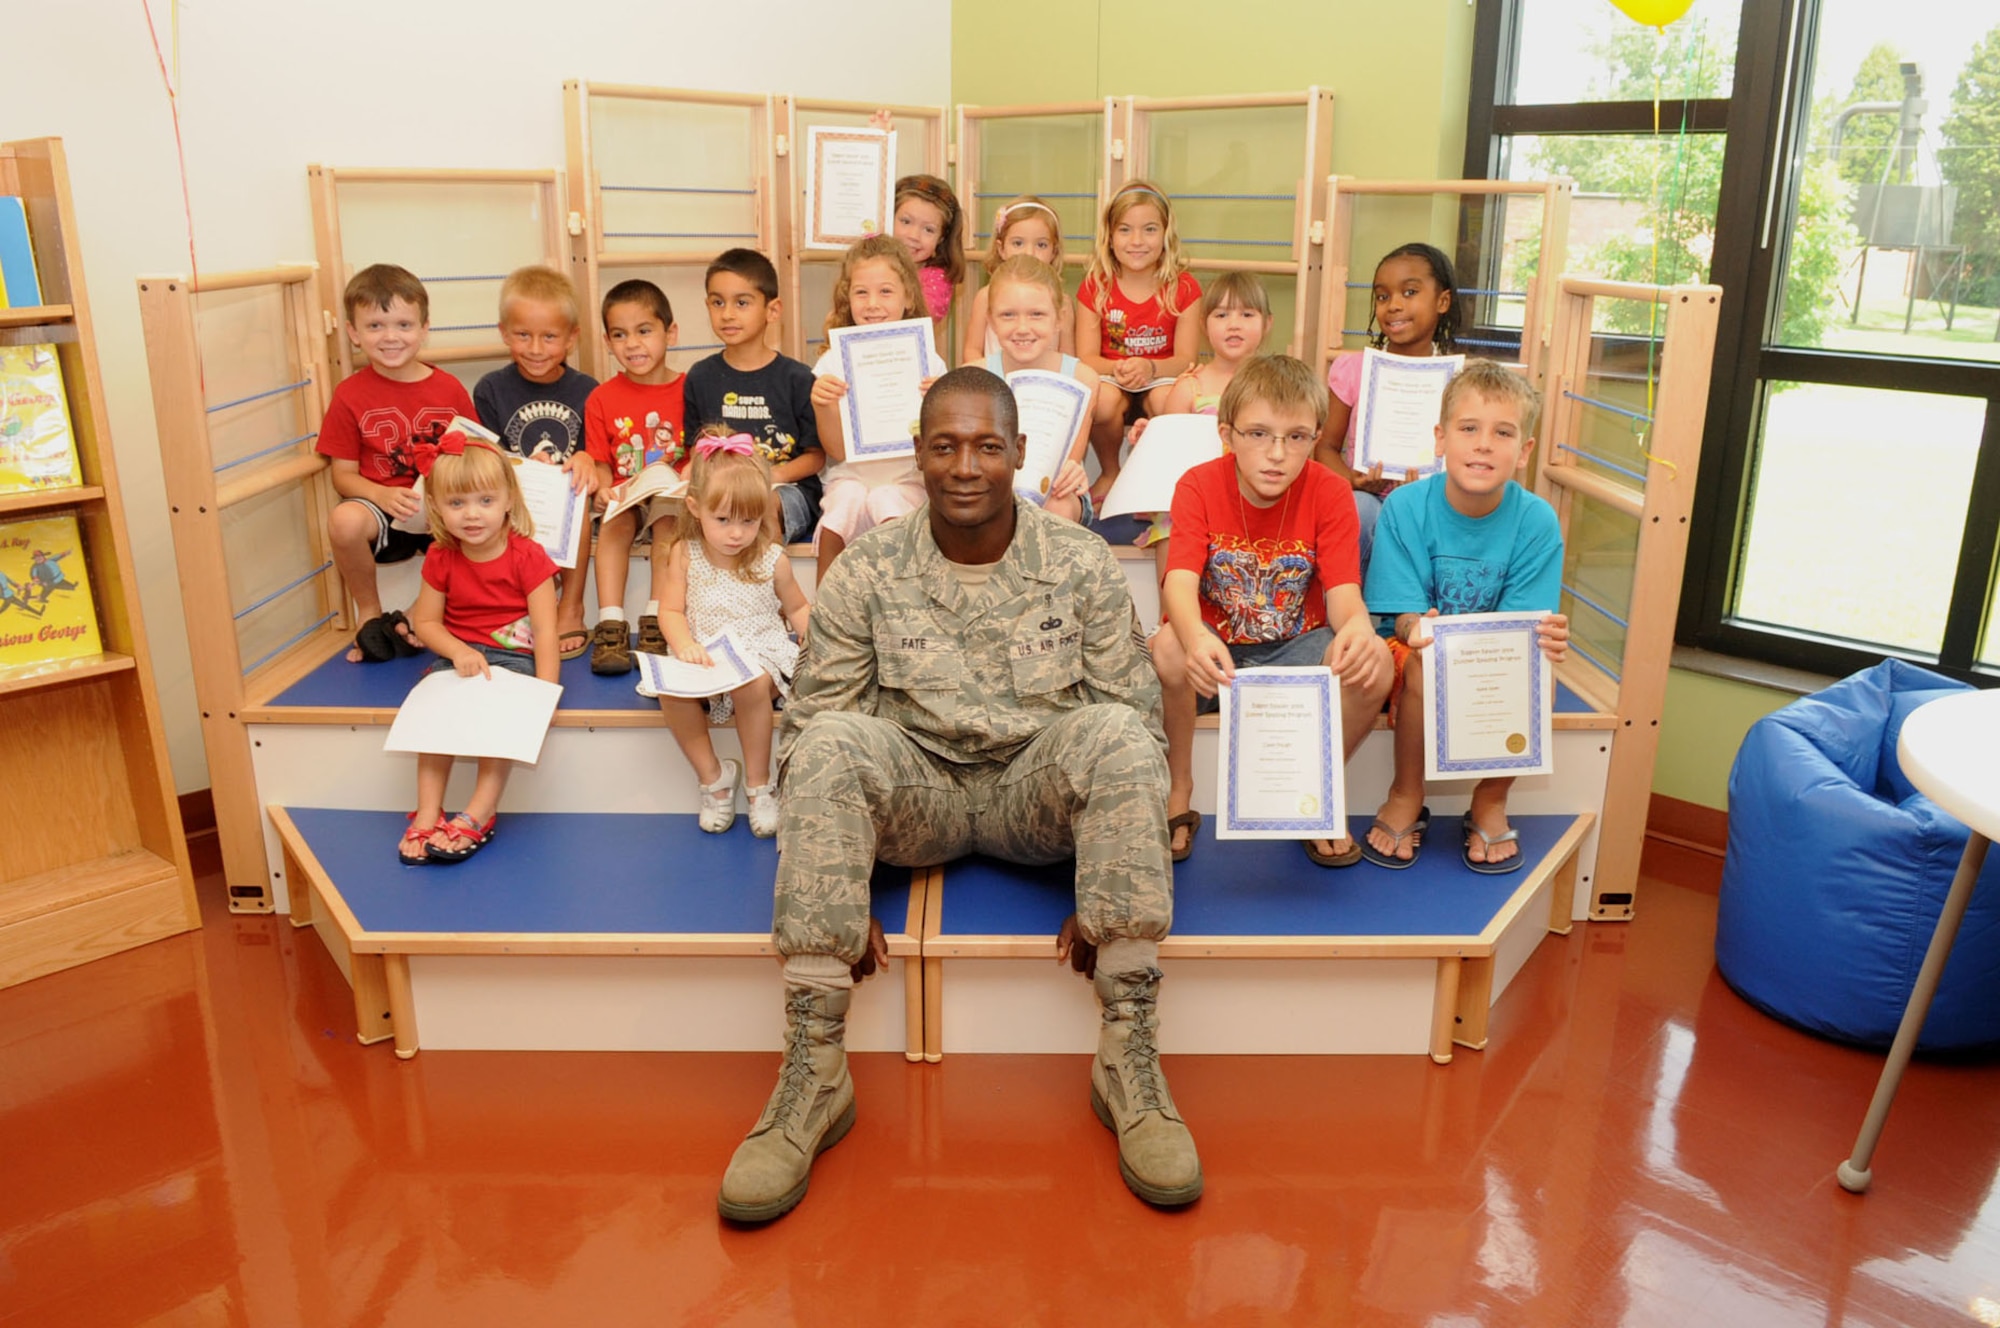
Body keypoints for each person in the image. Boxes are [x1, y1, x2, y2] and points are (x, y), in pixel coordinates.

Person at [716, 367, 1200, 1223]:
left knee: (1122, 738)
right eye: (945, 447)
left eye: (986, 446)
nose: (966, 466)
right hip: (919, 792)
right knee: (827, 742)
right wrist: (840, 884)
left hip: (1034, 789)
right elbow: (816, 720)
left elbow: (1132, 715)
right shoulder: (867, 569)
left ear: (1019, 453)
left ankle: (1129, 1053)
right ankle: (814, 1070)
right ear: (919, 457)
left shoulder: (1079, 562)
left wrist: (1103, 885)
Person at [1151, 355, 1393, 866]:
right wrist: (1196, 638)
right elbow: (1179, 581)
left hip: (1295, 653)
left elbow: (1344, 592)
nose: (1277, 454)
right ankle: (1179, 790)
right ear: (1227, 434)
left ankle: (1318, 792)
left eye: (1297, 437)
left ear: (1315, 437)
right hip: (1215, 660)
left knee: (1376, 665)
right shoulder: (1196, 484)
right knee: (1169, 646)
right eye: (1259, 434)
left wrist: (1358, 630)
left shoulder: (1330, 492)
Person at [1362, 359, 1567, 874]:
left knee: (1539, 669)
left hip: (1488, 658)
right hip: (1413, 651)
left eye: (1502, 433)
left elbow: (1519, 632)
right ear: (1440, 438)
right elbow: (1401, 617)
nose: (1483, 444)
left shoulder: (1537, 520)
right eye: (1469, 429)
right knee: (1423, 660)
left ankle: (1491, 801)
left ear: (1523, 453)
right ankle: (1407, 793)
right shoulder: (1405, 507)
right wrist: (1421, 628)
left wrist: (1543, 638)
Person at [396, 428, 558, 865]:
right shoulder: (441, 557)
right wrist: (458, 652)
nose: (472, 515)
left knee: (495, 718)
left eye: (485, 501)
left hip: (513, 657)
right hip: (456, 651)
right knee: (434, 715)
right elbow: (426, 622)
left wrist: (545, 693)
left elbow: (546, 631)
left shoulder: (528, 556)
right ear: (437, 508)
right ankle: (428, 809)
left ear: (509, 501)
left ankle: (480, 810)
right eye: (457, 503)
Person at [646, 430, 812, 838]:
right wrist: (683, 644)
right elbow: (669, 609)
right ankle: (715, 778)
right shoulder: (685, 553)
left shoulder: (772, 559)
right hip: (705, 656)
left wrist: (814, 642)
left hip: (761, 655)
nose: (736, 533)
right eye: (723, 520)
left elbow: (797, 608)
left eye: (749, 521)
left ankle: (759, 784)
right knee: (670, 693)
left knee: (751, 684)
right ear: (694, 507)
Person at [317, 264, 477, 663]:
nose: (390, 337)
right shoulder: (348, 394)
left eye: (403, 324)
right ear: (353, 333)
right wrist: (382, 495)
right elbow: (343, 475)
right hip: (384, 508)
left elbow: (473, 459)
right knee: (343, 521)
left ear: (424, 328)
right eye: (375, 326)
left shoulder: (450, 388)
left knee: (482, 520)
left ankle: (416, 616)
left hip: (441, 510)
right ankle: (369, 612)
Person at [473, 265, 599, 659]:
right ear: (504, 332)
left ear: (572, 338)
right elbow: (484, 459)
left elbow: (597, 454)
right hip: (511, 496)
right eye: (523, 335)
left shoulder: (588, 390)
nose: (536, 348)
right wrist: (521, 466)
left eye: (549, 337)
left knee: (575, 495)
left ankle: (571, 605)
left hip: (564, 500)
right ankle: (513, 610)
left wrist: (585, 459)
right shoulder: (491, 388)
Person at [1313, 242, 1462, 570]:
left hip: (1428, 502)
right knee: (1360, 509)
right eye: (1382, 296)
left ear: (1442, 301)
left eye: (1409, 292)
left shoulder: (1458, 381)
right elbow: (1324, 448)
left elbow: (1464, 458)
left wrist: (1428, 487)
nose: (1393, 305)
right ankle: (1353, 614)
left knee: (1419, 512)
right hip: (1361, 501)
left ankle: (1402, 616)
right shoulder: (1352, 370)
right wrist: (1353, 479)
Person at [1112, 272, 1275, 568]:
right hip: (1192, 506)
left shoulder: (1277, 389)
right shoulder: (1189, 387)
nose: (1234, 324)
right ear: (1204, 325)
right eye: (1221, 314)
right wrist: (1148, 437)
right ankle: (1171, 614)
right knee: (1173, 529)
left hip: (1256, 503)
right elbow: (1165, 457)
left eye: (1247, 314)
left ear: (1267, 323)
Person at [808, 235, 944, 582]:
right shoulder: (832, 363)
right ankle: (825, 608)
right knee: (847, 500)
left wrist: (938, 404)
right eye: (861, 292)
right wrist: (823, 406)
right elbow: (836, 451)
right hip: (850, 477)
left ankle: (903, 600)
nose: (872, 304)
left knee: (887, 499)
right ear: (846, 297)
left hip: (907, 481)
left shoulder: (928, 361)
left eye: (885, 291)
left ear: (908, 296)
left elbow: (940, 448)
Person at [683, 249, 822, 548]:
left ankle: (765, 589)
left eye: (742, 303)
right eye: (717, 302)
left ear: (772, 310)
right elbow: (698, 447)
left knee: (762, 505)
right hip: (721, 493)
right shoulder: (700, 376)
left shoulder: (798, 378)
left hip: (785, 490)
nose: (727, 313)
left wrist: (771, 475)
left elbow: (816, 455)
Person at [582, 279, 687, 676]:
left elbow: (696, 454)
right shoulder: (601, 397)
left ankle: (657, 619)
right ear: (608, 342)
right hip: (626, 494)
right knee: (613, 521)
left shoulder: (688, 388)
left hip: (670, 495)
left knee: (668, 522)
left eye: (644, 331)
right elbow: (602, 461)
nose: (633, 344)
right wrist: (605, 487)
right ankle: (610, 623)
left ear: (670, 333)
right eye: (620, 335)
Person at [1076, 181, 1201, 502]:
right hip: (1111, 376)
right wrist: (1123, 368)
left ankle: (1158, 478)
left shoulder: (1183, 287)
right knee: (1101, 401)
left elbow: (1187, 357)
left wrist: (1150, 366)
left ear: (1165, 234)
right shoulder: (1096, 286)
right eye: (1125, 230)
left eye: (1149, 229)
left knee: (1167, 403)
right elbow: (1086, 356)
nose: (1137, 241)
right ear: (1110, 236)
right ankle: (1110, 472)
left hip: (1160, 375)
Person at [981, 255, 1095, 524]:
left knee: (1058, 505)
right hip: (992, 483)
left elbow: (1070, 459)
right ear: (991, 320)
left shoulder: (1083, 379)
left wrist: (1072, 472)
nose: (1022, 328)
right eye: (1008, 315)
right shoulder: (976, 375)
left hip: (1057, 487)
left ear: (1059, 319)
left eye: (1037, 315)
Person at [959, 195, 1074, 364]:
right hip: (997, 385)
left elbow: (1068, 358)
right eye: (1018, 243)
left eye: (1041, 245)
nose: (1029, 252)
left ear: (1054, 251)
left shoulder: (1063, 303)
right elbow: (972, 350)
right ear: (1001, 248)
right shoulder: (986, 297)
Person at [890, 173, 966, 343]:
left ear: (941, 239)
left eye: (929, 230)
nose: (914, 236)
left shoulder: (937, 280)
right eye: (906, 221)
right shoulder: (867, 264)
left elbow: (913, 323)